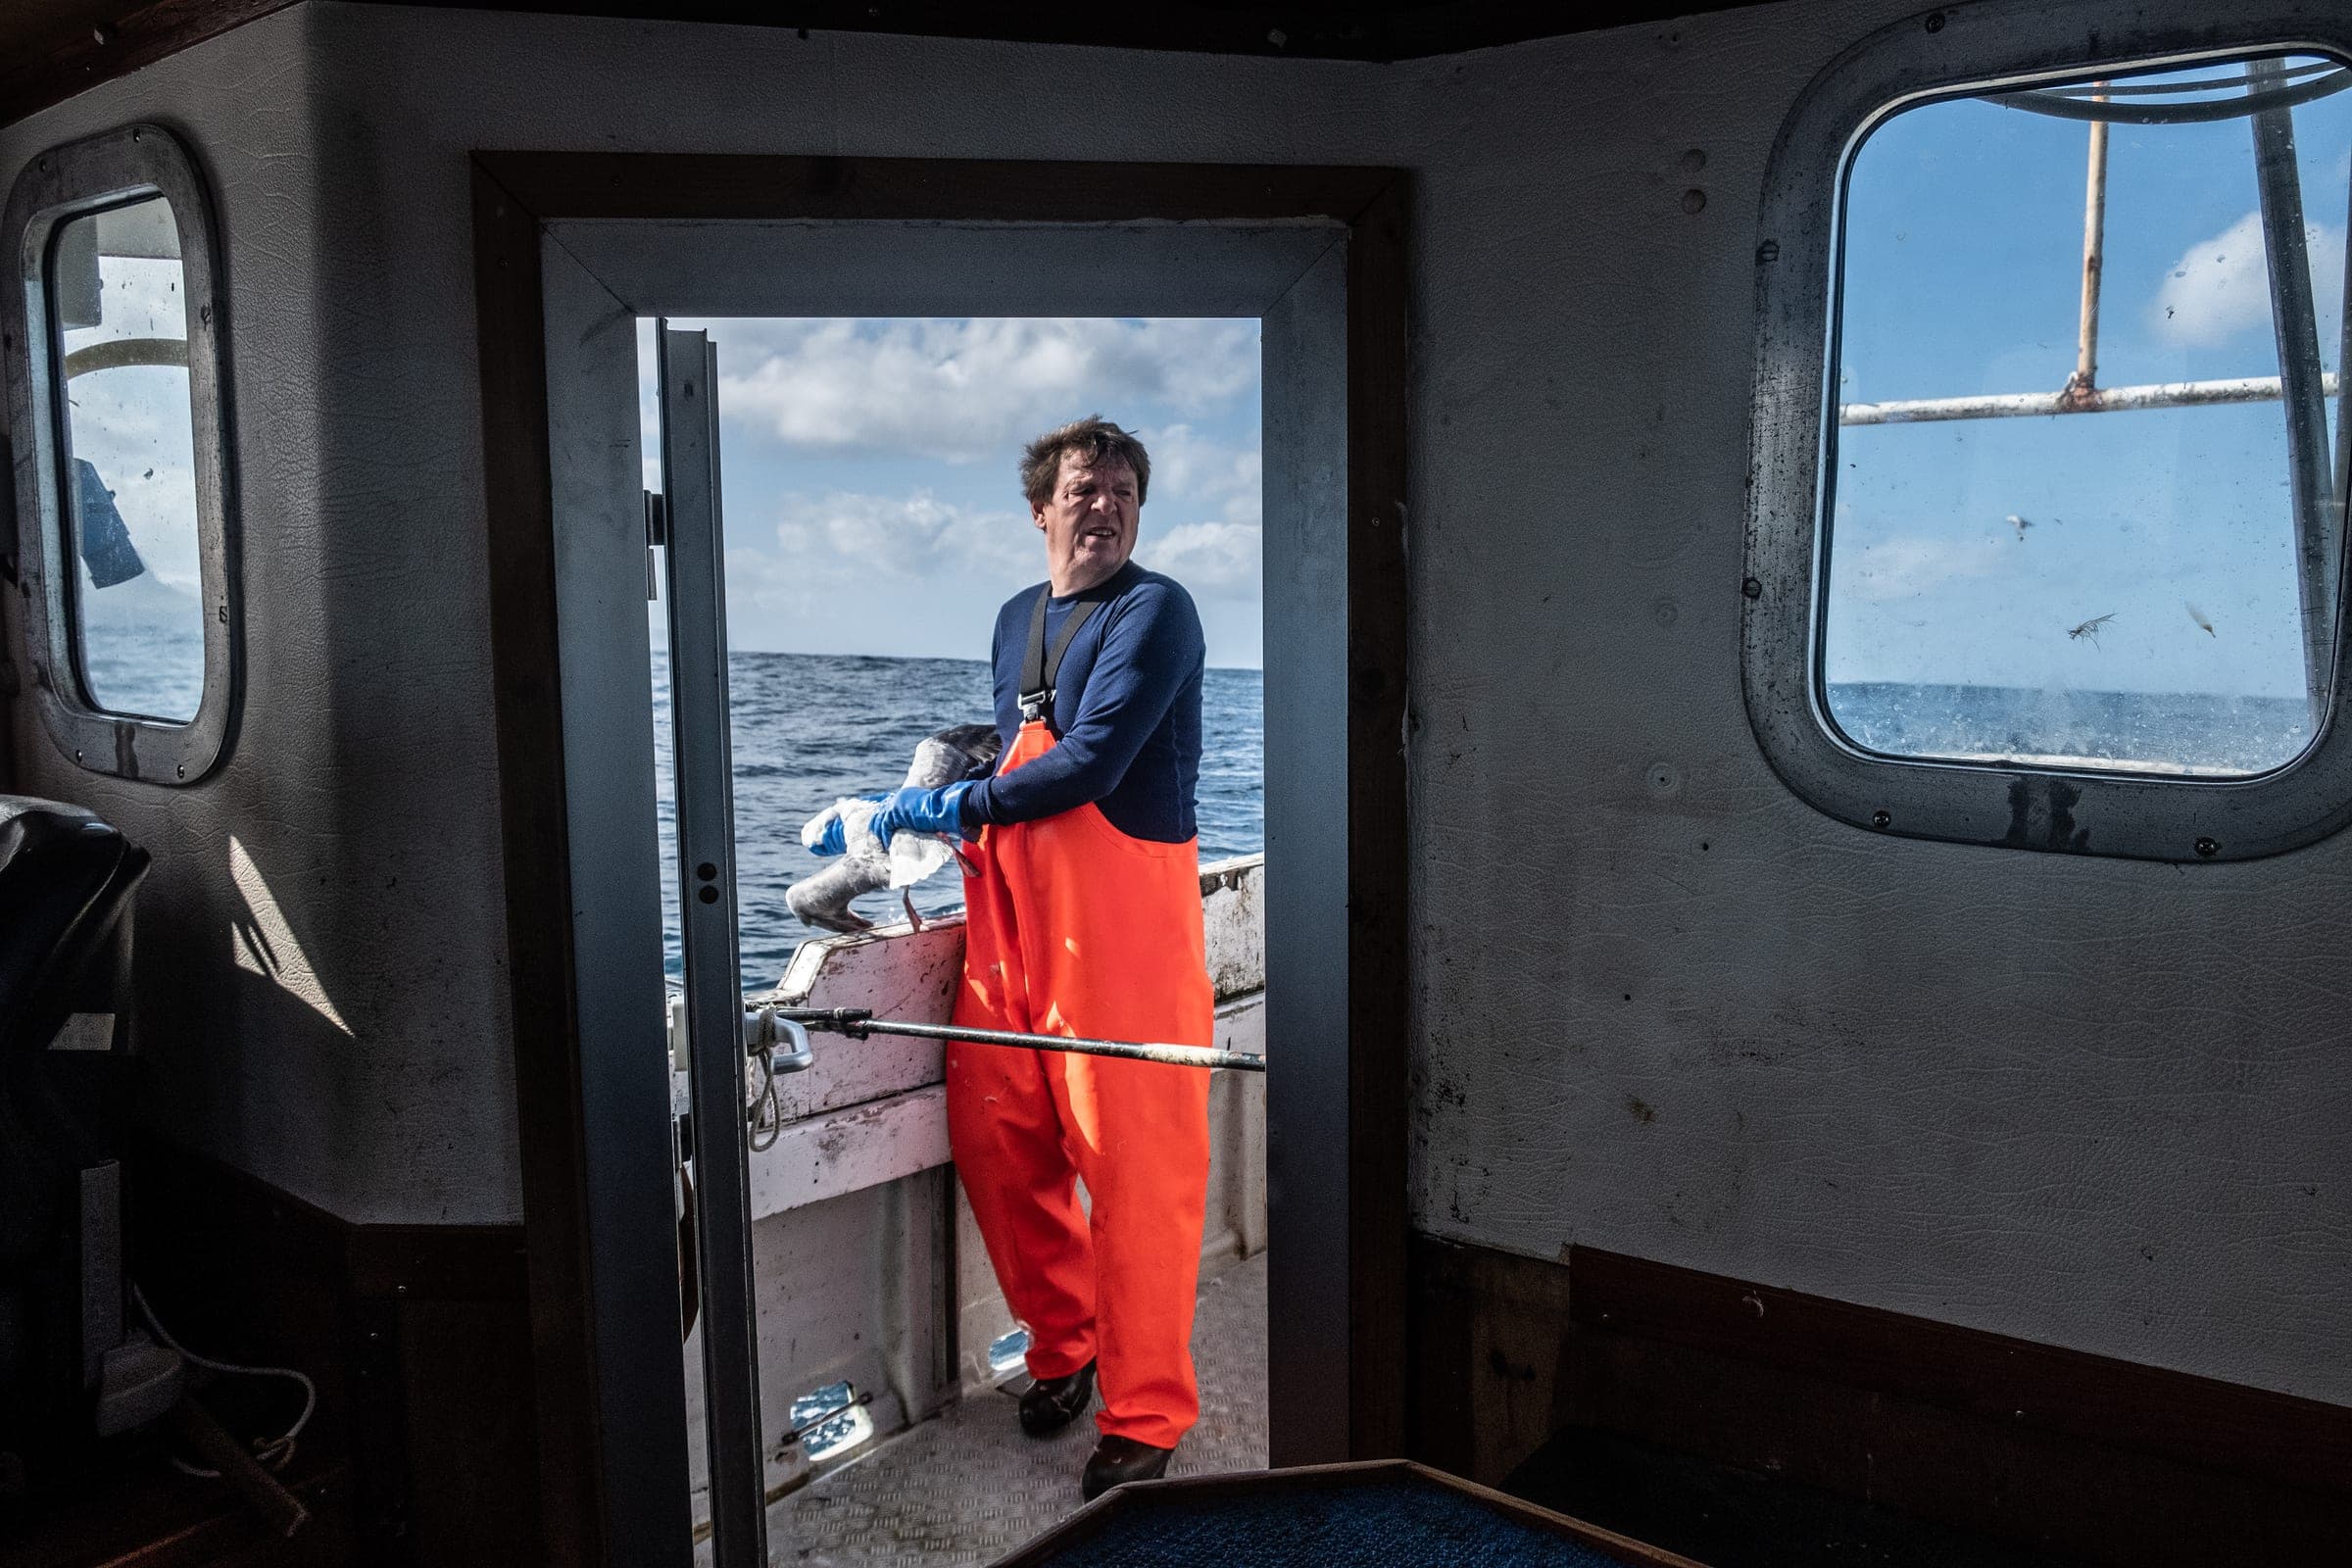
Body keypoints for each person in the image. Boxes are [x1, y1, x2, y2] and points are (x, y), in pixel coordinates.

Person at [868, 416, 1214, 1500]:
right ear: (1040, 510)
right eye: (1083, 489)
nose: (1104, 505)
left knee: (1136, 1178)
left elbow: (1093, 761)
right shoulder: (1016, 617)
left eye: (1123, 491)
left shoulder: (1157, 610)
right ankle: (1067, 1345)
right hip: (1013, 926)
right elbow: (1017, 753)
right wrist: (938, 811)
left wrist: (942, 805)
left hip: (1127, 943)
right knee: (999, 1135)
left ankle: (1147, 1413)